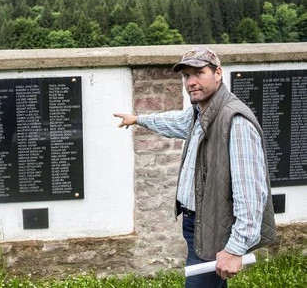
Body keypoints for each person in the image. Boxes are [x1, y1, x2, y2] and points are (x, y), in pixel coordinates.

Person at [114, 47, 276, 288]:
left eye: (198, 73)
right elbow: (173, 121)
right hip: (196, 223)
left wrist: (235, 248)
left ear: (218, 73)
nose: (191, 82)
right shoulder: (200, 114)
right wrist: (138, 119)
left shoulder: (235, 122)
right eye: (186, 76)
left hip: (215, 227)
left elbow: (251, 194)